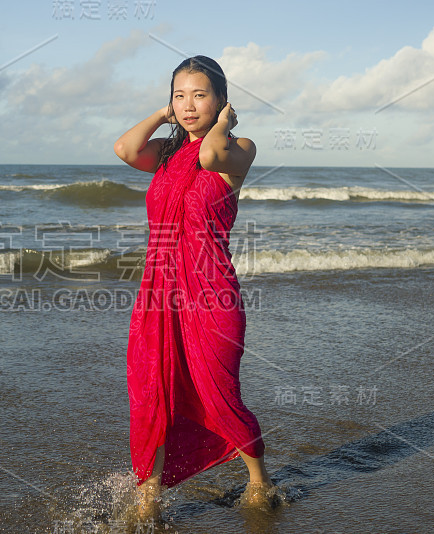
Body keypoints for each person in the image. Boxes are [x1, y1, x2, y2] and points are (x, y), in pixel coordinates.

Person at [114, 55, 275, 520]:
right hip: (159, 292)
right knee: (153, 389)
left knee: (219, 392)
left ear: (222, 100)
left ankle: (260, 482)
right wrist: (164, 116)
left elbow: (208, 155)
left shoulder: (239, 146)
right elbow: (125, 149)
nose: (187, 106)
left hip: (212, 292)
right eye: (179, 96)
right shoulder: (165, 153)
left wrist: (222, 124)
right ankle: (150, 499)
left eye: (199, 95)